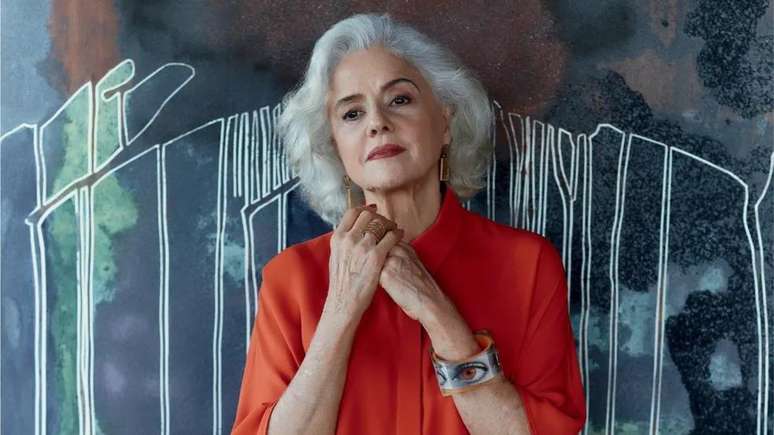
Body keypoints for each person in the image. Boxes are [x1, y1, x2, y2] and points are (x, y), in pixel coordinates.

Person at [232, 13, 585, 435]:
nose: (377, 123)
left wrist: (438, 312)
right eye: (352, 114)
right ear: (333, 146)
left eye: (399, 100)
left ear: (446, 122)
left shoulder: (527, 264)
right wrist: (341, 309)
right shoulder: (290, 279)